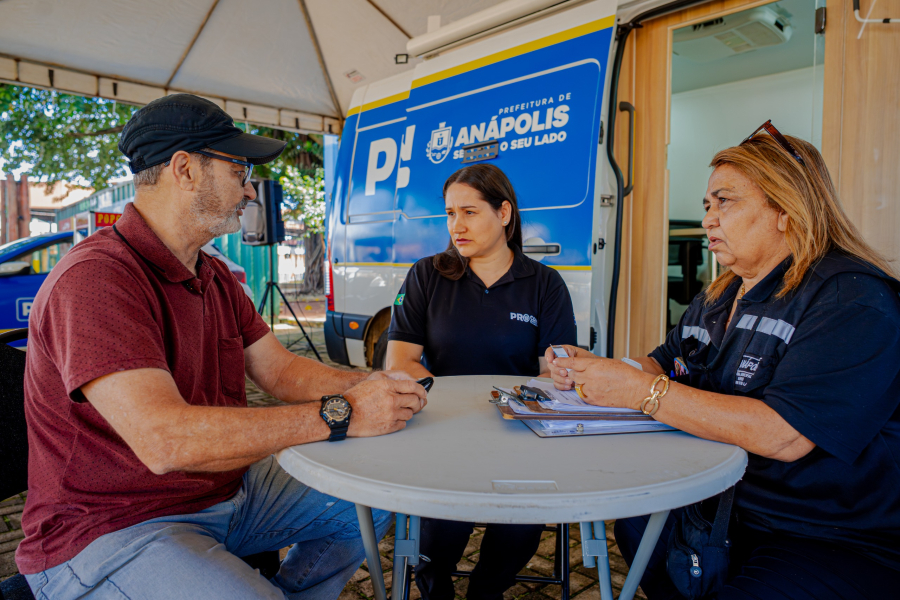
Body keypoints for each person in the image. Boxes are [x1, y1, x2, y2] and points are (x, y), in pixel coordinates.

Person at [16, 94, 428, 600]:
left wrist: (377, 388)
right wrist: (343, 413)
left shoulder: (211, 273)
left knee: (376, 496)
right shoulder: (96, 279)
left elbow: (280, 371)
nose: (251, 190)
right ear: (185, 170)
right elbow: (166, 441)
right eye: (239, 171)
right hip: (112, 527)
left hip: (225, 493)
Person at [546, 122, 900, 599]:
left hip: (824, 531)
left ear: (786, 210)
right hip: (724, 504)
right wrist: (597, 368)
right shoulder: (718, 295)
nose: (708, 220)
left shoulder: (850, 298)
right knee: (635, 523)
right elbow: (662, 364)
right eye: (707, 206)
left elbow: (784, 434)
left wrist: (641, 392)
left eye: (725, 202)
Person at [386, 163, 577, 600]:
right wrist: (459, 406)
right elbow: (400, 361)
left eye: (469, 212)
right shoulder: (427, 275)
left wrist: (513, 403)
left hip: (518, 431)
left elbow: (554, 372)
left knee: (521, 528)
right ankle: (434, 587)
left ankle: (487, 591)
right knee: (440, 532)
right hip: (442, 428)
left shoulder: (545, 284)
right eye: (450, 213)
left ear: (504, 213)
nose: (456, 225)